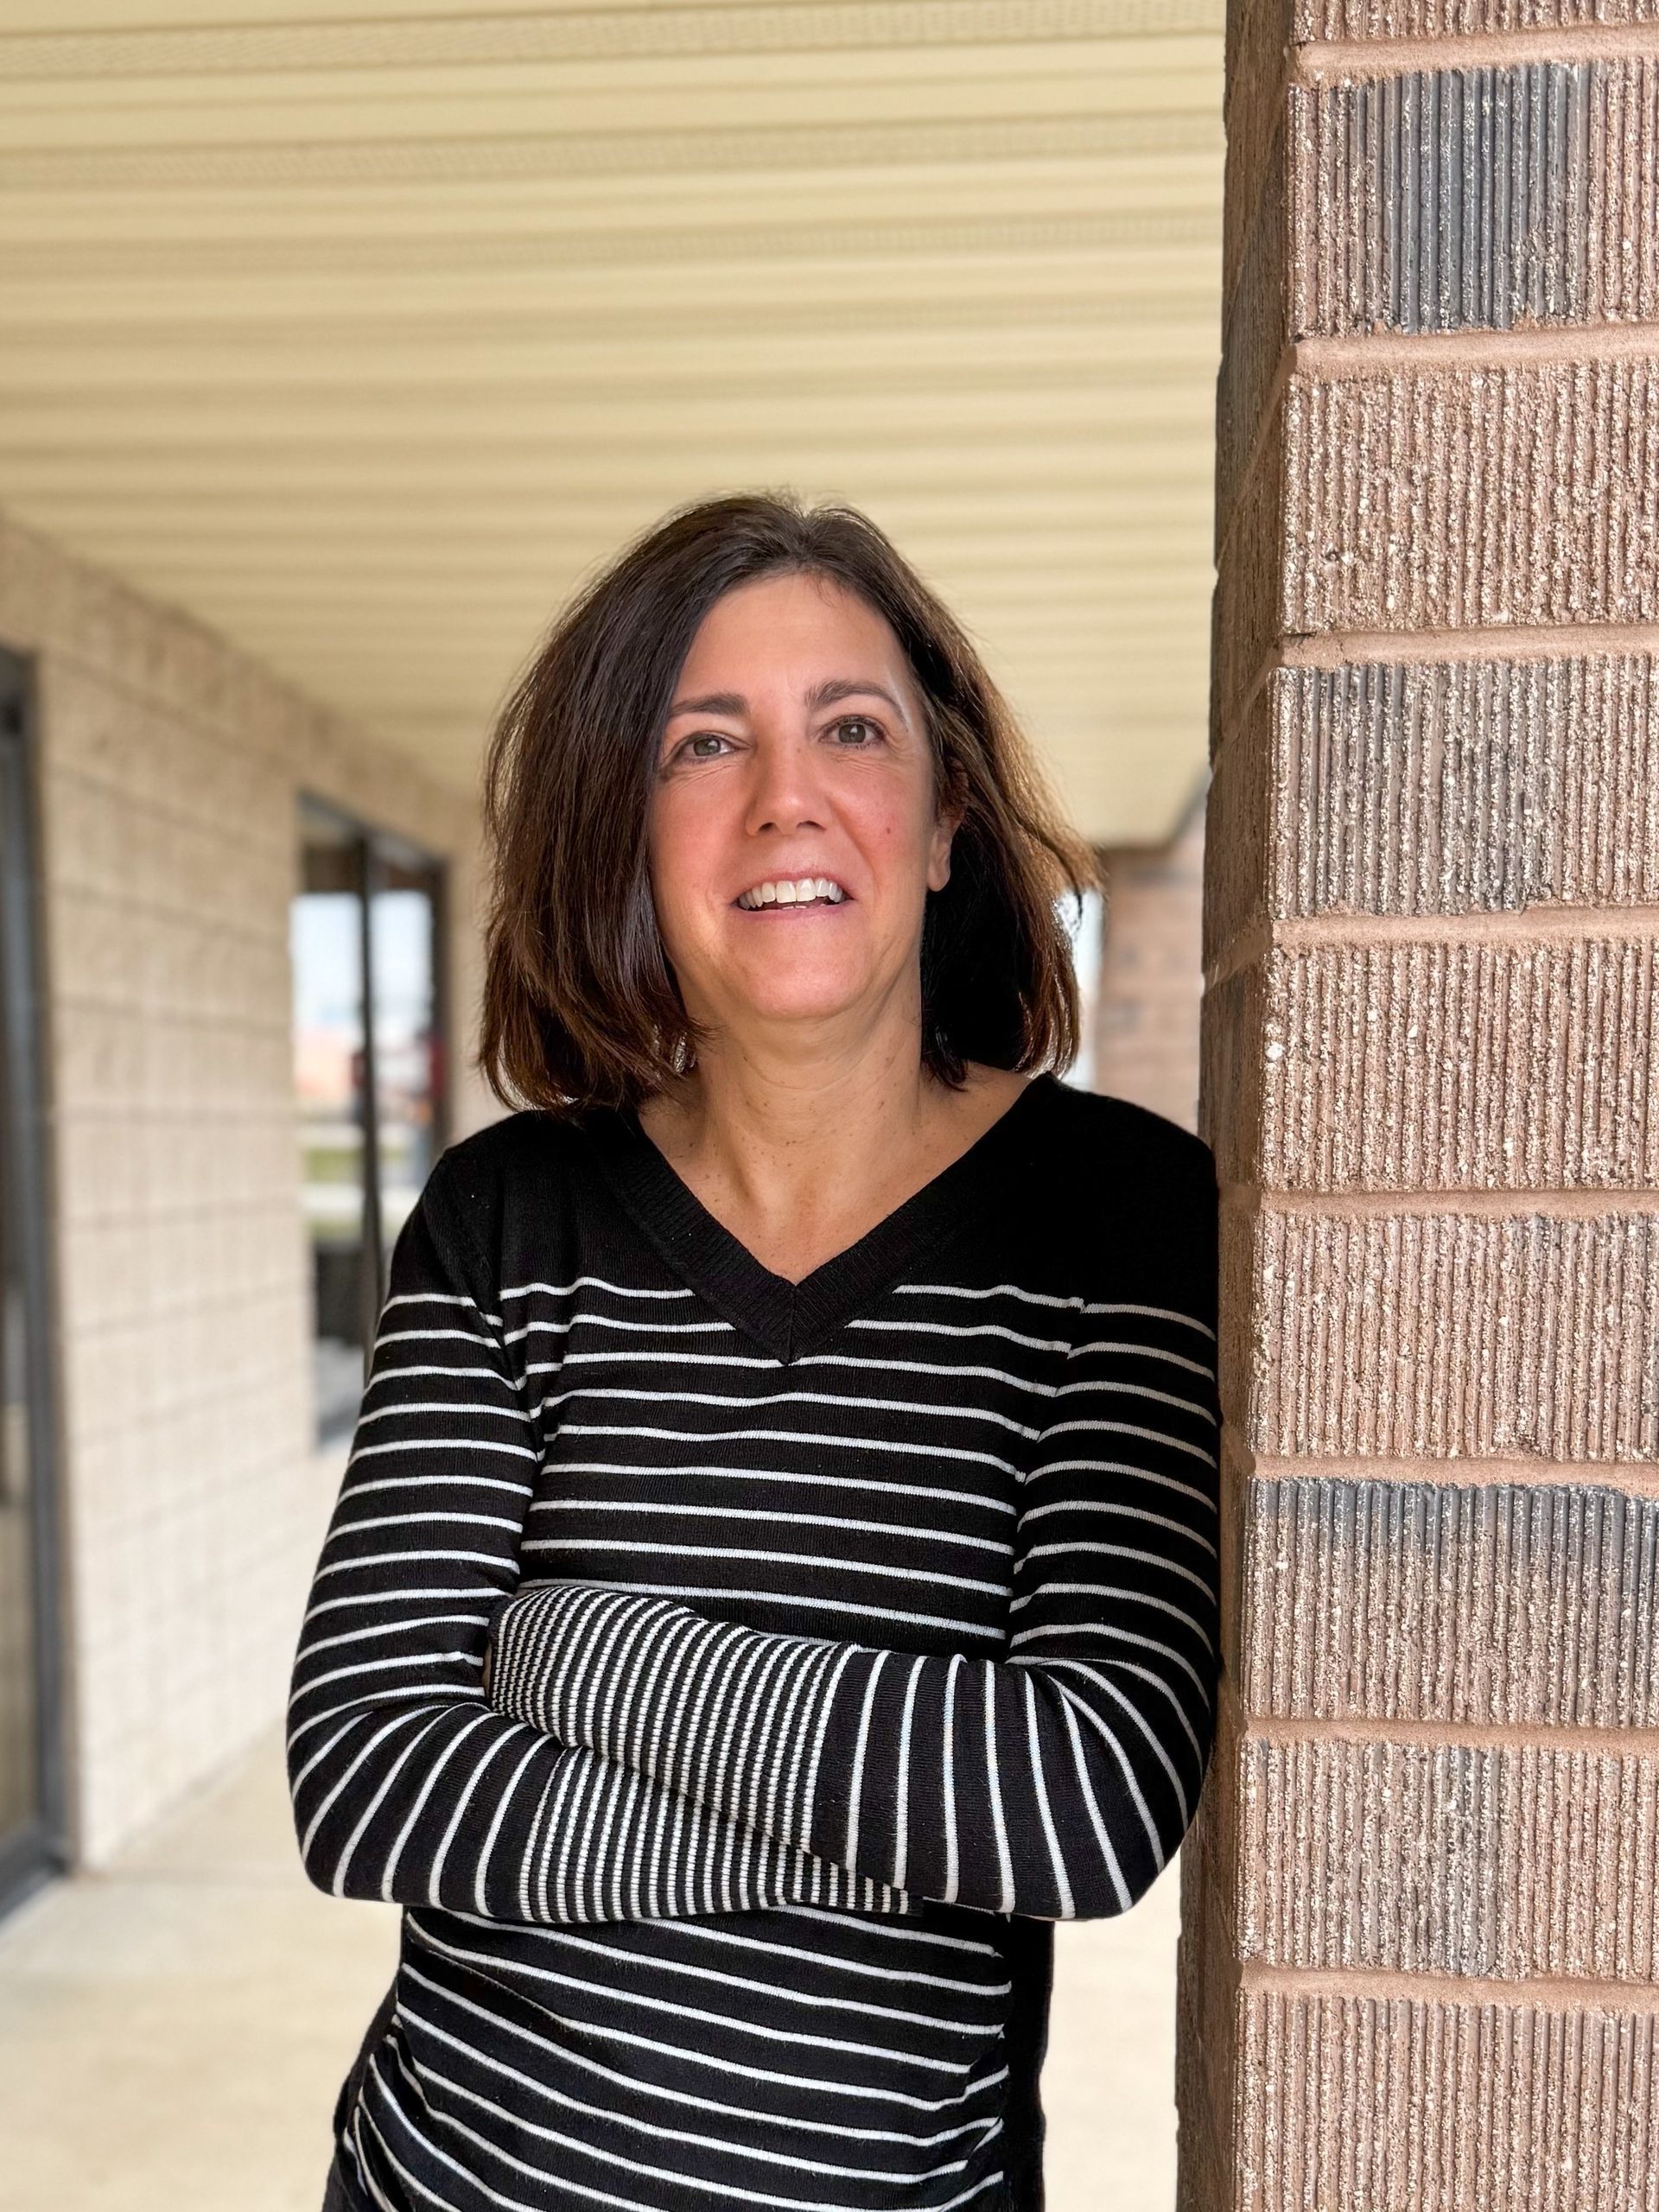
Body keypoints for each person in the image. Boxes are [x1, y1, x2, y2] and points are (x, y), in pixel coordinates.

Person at [289, 490, 1222, 2212]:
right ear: (628, 837)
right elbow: (362, 1774)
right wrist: (901, 1815)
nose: (787, 793)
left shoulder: (1117, 1214)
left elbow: (1083, 1793)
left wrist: (574, 1644)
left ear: (944, 817)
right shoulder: (510, 1218)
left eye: (851, 728)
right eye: (701, 743)